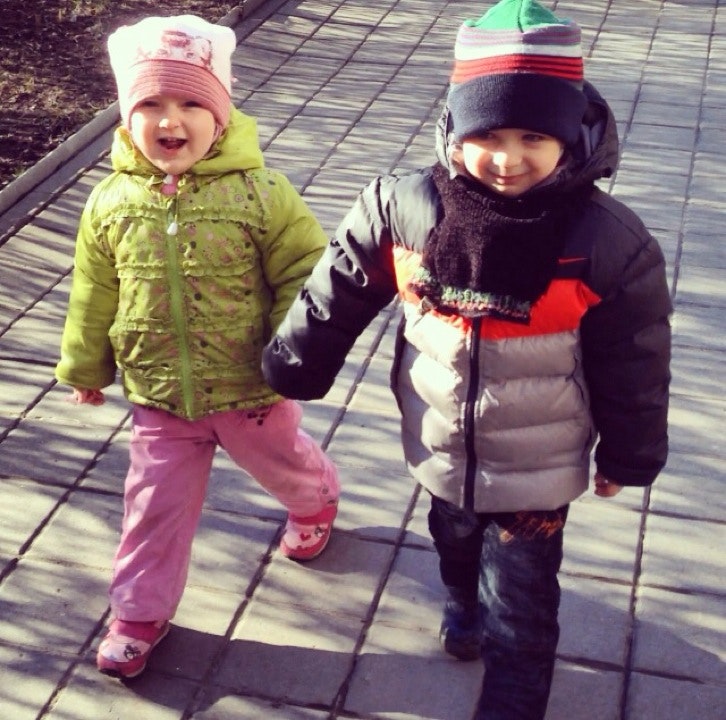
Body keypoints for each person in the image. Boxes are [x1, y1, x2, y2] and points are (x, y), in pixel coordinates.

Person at [261, 0, 671, 717]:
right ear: (455, 127)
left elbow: (635, 361)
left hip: (539, 470)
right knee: (452, 539)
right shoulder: (404, 208)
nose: (508, 158)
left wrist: (628, 455)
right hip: (440, 443)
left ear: (570, 134)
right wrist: (296, 362)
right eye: (488, 134)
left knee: (521, 609)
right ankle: (460, 600)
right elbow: (340, 287)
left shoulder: (606, 241)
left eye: (533, 136)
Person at [55, 14, 339, 680]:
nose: (170, 120)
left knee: (283, 463)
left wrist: (291, 352)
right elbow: (93, 290)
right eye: (150, 103)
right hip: (160, 396)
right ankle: (137, 613)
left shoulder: (262, 193)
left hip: (250, 389)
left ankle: (315, 497)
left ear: (221, 114)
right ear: (126, 117)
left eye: (190, 103)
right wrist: (85, 366)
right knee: (152, 508)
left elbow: (305, 270)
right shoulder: (109, 202)